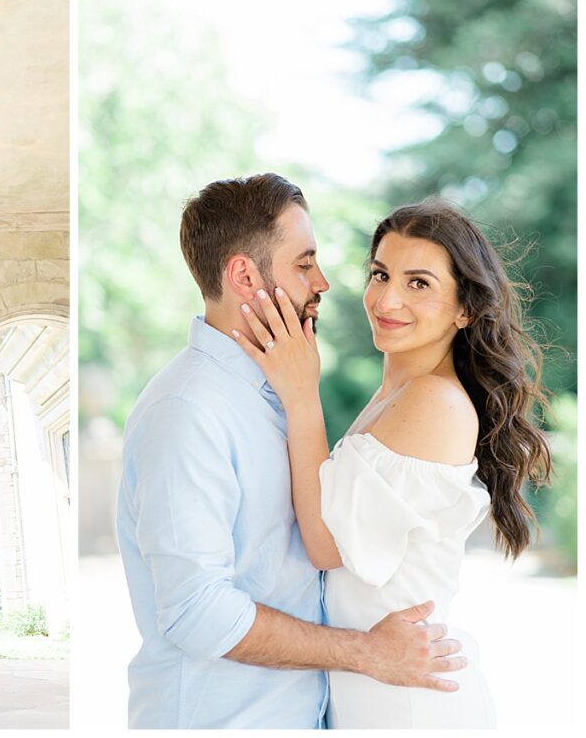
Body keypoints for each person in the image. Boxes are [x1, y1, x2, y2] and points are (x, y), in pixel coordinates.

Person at [117, 174, 467, 729]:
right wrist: (365, 652)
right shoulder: (188, 410)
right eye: (304, 264)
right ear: (244, 275)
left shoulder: (275, 393)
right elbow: (197, 613)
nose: (324, 282)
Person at [232, 199, 552, 728]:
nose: (386, 298)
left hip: (409, 703)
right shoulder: (393, 395)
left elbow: (325, 544)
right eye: (380, 274)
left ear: (464, 309)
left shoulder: (435, 401)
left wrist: (301, 394)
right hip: (376, 682)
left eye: (418, 283)